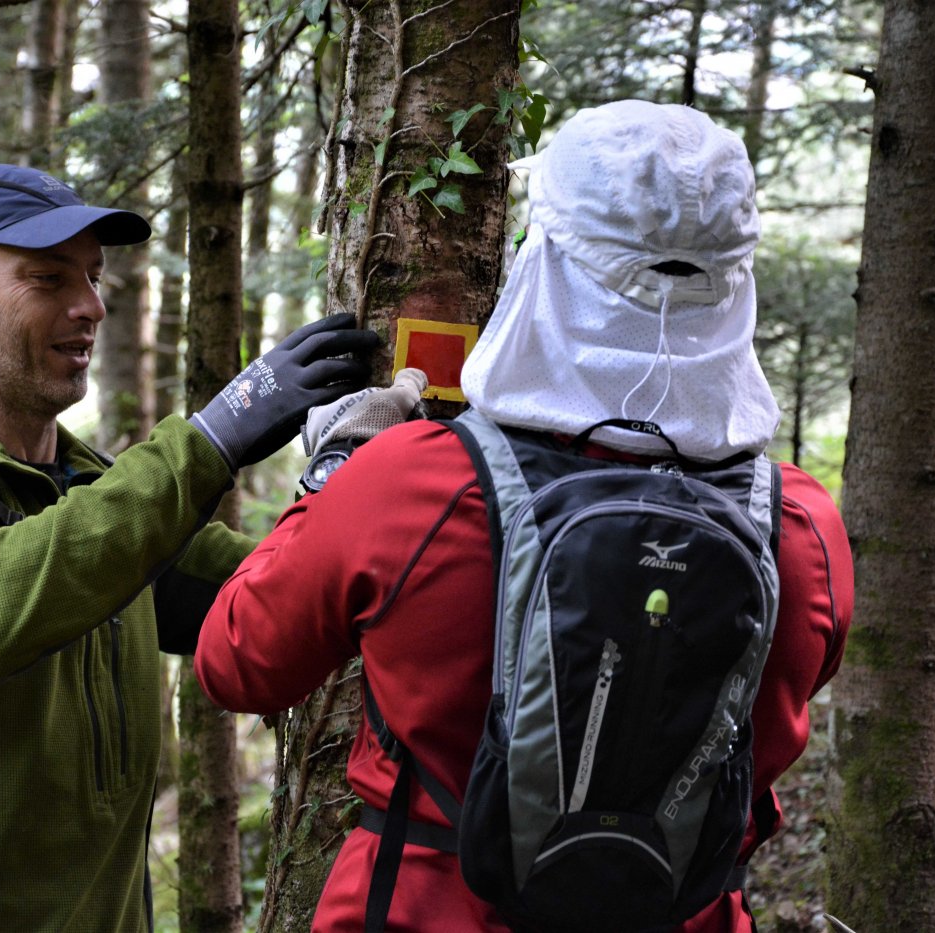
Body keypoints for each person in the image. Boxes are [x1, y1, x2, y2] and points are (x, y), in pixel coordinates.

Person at [193, 101, 854, 931]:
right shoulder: (798, 522)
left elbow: (237, 663)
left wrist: (332, 472)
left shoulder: (409, 484)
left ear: (543, 261)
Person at [0, 163, 379, 932]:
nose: (91, 305)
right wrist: (211, 439)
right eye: (48, 277)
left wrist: (359, 478)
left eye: (95, 278)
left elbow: (272, 598)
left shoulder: (95, 491)